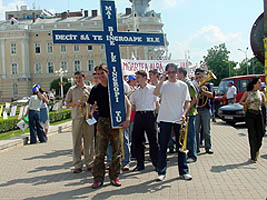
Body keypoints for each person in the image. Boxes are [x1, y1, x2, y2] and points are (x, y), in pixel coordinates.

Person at [88, 64, 131, 189]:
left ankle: (114, 177)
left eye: (102, 73)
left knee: (117, 151)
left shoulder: (115, 88)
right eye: (98, 74)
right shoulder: (95, 89)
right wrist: (91, 112)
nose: (100, 76)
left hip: (116, 122)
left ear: (108, 73)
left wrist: (127, 119)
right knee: (100, 152)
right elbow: (92, 104)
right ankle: (98, 179)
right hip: (102, 122)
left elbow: (128, 105)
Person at [153, 63, 192, 181]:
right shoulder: (163, 84)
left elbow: (188, 102)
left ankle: (183, 171)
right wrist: (161, 79)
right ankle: (161, 172)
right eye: (168, 72)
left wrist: (184, 114)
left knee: (181, 147)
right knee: (163, 147)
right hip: (165, 118)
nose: (171, 74)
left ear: (177, 72)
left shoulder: (183, 85)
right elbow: (155, 93)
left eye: (173, 72)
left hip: (178, 119)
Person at [130, 70, 159, 171]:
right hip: (139, 115)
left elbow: (157, 104)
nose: (136, 80)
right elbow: (132, 105)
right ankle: (140, 164)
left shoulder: (153, 89)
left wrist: (158, 117)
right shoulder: (135, 92)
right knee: (138, 140)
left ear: (144, 78)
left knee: (153, 140)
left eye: (138, 77)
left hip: (150, 115)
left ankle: (156, 163)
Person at [66, 71, 95, 173]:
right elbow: (67, 104)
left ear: (84, 78)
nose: (78, 80)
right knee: (76, 142)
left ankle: (90, 163)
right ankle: (77, 164)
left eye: (79, 78)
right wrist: (75, 103)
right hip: (77, 118)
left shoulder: (90, 89)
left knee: (89, 142)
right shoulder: (72, 90)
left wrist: (91, 111)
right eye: (76, 78)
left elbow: (94, 103)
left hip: (88, 118)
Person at [239, 77, 266, 162]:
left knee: (261, 132)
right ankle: (253, 155)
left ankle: (257, 149)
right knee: (252, 134)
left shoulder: (261, 93)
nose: (260, 84)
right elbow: (240, 102)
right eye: (259, 82)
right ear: (254, 84)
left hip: (259, 114)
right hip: (250, 114)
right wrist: (246, 103)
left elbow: (265, 103)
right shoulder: (247, 93)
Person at [177, 67, 198, 163]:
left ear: (182, 74)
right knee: (185, 135)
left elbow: (193, 99)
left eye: (177, 73)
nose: (176, 75)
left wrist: (186, 110)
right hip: (185, 113)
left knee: (190, 135)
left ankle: (192, 155)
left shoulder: (188, 84)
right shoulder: (182, 83)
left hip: (190, 113)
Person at [195, 70, 214, 154]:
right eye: (198, 77)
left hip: (205, 109)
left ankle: (208, 147)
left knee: (206, 130)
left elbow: (211, 95)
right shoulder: (195, 85)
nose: (199, 79)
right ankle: (196, 148)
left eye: (201, 77)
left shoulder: (208, 85)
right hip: (197, 109)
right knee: (196, 130)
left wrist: (202, 92)